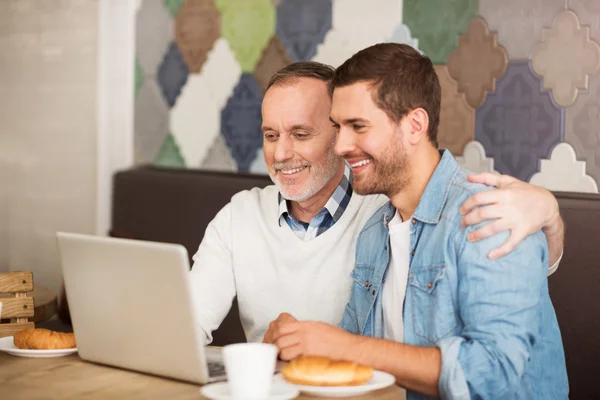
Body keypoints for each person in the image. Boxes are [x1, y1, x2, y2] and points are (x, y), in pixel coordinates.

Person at [266, 45, 568, 399]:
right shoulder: (374, 233)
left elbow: (492, 373)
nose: (341, 146)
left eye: (357, 126)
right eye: (337, 127)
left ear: (415, 126)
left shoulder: (491, 216)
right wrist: (298, 342)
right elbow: (350, 356)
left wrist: (344, 347)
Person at [190, 61, 565, 345]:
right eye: (271, 135)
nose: (281, 152)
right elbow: (186, 324)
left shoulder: (385, 210)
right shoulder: (241, 215)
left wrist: (549, 215)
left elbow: (518, 272)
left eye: (301, 134)